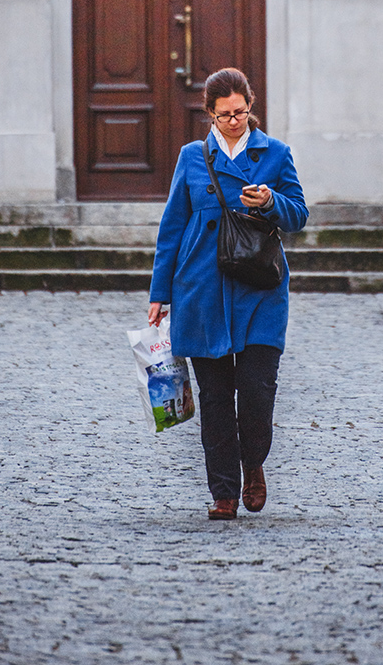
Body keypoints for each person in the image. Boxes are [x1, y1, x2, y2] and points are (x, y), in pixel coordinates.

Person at [148, 67, 308, 520]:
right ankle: (223, 492)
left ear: (251, 107)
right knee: (216, 398)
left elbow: (299, 213)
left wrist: (271, 203)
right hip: (200, 290)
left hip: (260, 289)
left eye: (241, 112)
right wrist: (160, 292)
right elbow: (172, 227)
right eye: (225, 115)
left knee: (257, 390)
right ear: (210, 115)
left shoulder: (275, 154)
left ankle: (253, 462)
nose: (235, 121)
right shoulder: (191, 158)